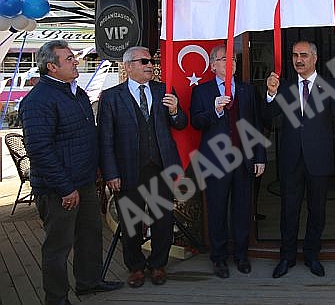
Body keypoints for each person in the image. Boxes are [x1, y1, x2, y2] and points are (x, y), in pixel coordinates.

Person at [19, 40, 123, 305]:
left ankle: (89, 282)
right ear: (51, 67)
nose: (76, 61)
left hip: (84, 182)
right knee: (58, 246)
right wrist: (65, 188)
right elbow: (39, 150)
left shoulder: (76, 93)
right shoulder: (38, 101)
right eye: (69, 59)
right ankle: (56, 298)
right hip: (59, 189)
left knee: (89, 235)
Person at [97, 46, 187, 288]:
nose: (150, 65)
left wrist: (175, 110)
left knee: (162, 219)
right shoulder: (111, 97)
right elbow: (105, 140)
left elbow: (180, 124)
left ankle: (158, 264)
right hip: (127, 170)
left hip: (160, 167)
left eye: (151, 61)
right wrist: (111, 173)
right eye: (144, 61)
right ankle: (135, 267)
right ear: (128, 66)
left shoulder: (164, 90)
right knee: (131, 222)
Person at [265, 40, 335, 278]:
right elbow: (269, 115)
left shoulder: (329, 85)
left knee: (317, 210)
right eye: (295, 55)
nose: (298, 60)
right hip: (290, 158)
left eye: (303, 55)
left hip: (319, 159)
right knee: (289, 210)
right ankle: (287, 256)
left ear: (314, 58)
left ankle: (312, 255)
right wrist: (271, 94)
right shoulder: (284, 86)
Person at [190, 45, 267, 278]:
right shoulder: (202, 91)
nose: (230, 62)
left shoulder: (247, 90)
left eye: (233, 58)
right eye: (224, 59)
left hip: (244, 160)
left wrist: (260, 157)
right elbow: (196, 122)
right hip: (216, 161)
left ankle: (241, 256)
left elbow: (256, 125)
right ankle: (219, 258)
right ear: (213, 65)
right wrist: (215, 110)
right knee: (217, 210)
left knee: (242, 210)